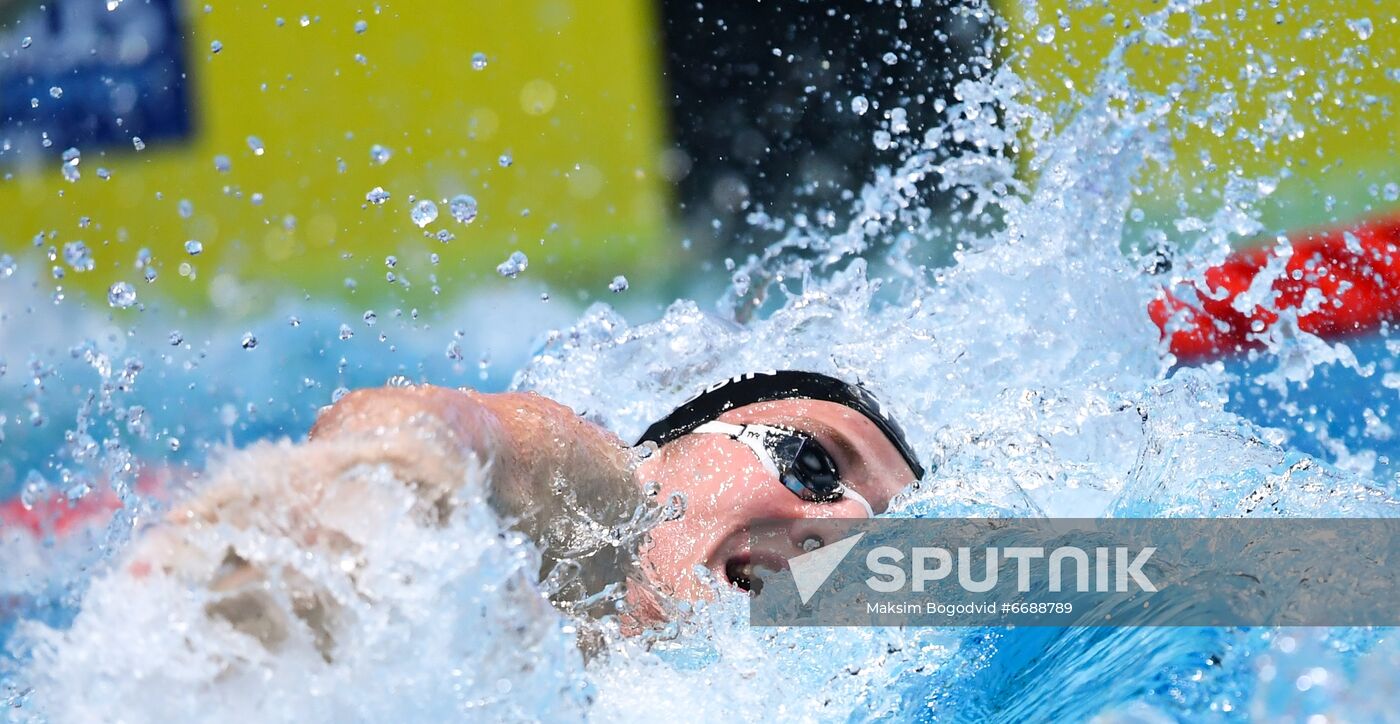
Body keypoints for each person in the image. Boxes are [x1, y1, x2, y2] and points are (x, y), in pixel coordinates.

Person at [126, 370, 924, 650]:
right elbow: (456, 432)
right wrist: (359, 489)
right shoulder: (598, 510)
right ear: (665, 450)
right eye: (815, 463)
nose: (850, 530)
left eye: (883, 541)